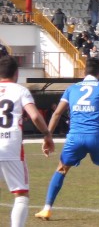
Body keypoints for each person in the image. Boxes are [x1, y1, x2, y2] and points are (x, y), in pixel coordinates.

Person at [35, 58, 99, 222]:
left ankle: (47, 209)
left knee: (61, 169)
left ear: (84, 72)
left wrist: (48, 135)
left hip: (75, 136)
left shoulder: (72, 89)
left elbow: (57, 113)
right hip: (97, 136)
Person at [0, 56, 54, 227]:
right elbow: (35, 115)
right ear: (17, 73)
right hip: (11, 146)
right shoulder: (20, 90)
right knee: (21, 194)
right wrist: (47, 134)